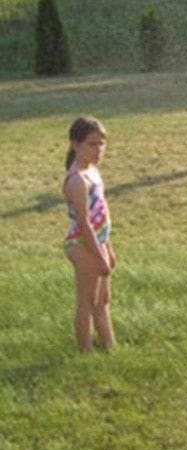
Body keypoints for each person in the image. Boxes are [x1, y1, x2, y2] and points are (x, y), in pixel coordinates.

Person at [62, 116, 115, 352]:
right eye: (92, 144)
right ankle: (86, 353)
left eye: (101, 144)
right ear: (75, 144)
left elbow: (101, 215)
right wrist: (98, 255)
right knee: (87, 302)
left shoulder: (93, 172)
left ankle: (110, 347)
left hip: (98, 242)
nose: (98, 150)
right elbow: (84, 223)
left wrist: (109, 248)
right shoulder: (77, 181)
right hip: (83, 245)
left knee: (102, 301)